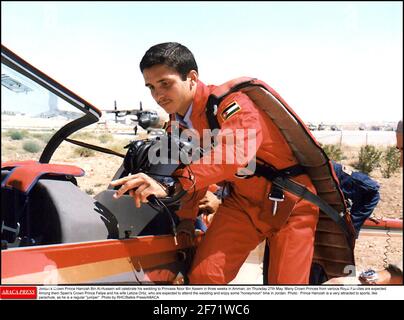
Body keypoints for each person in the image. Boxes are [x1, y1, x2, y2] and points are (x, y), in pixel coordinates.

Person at [110, 42, 319, 284]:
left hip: (291, 204)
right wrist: (187, 218)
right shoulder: (178, 123)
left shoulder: (231, 104)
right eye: (151, 87)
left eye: (165, 83)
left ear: (191, 78)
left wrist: (173, 186)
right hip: (242, 204)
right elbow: (195, 165)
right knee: (204, 277)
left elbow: (234, 153)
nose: (158, 95)